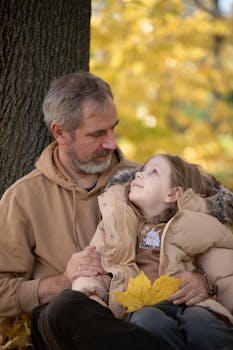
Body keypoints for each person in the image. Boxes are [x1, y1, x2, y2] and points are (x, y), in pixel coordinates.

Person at [0, 72, 208, 349]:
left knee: (180, 322)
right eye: (98, 133)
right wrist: (62, 281)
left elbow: (206, 240)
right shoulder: (23, 197)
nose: (111, 143)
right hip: (68, 323)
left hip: (142, 314)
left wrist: (203, 281)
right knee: (68, 306)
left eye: (113, 128)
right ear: (60, 133)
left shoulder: (145, 181)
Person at [72, 153, 233, 350]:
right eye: (140, 171)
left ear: (172, 194)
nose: (139, 175)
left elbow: (226, 274)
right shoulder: (115, 224)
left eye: (153, 172)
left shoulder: (197, 224)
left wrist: (206, 282)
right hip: (139, 306)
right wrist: (90, 296)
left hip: (191, 304)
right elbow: (94, 267)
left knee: (202, 323)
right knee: (148, 321)